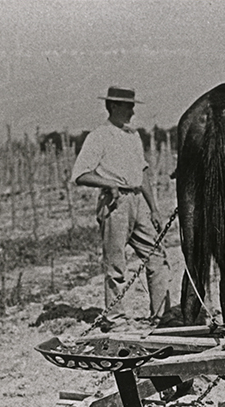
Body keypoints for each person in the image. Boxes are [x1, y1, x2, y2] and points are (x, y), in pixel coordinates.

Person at [72, 86, 171, 326]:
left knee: (157, 257)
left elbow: (143, 173)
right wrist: (108, 183)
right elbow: (81, 174)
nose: (132, 112)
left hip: (138, 202)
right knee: (115, 263)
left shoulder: (133, 136)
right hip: (115, 204)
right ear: (113, 106)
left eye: (133, 106)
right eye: (128, 106)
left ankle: (161, 316)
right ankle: (115, 317)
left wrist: (154, 208)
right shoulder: (99, 136)